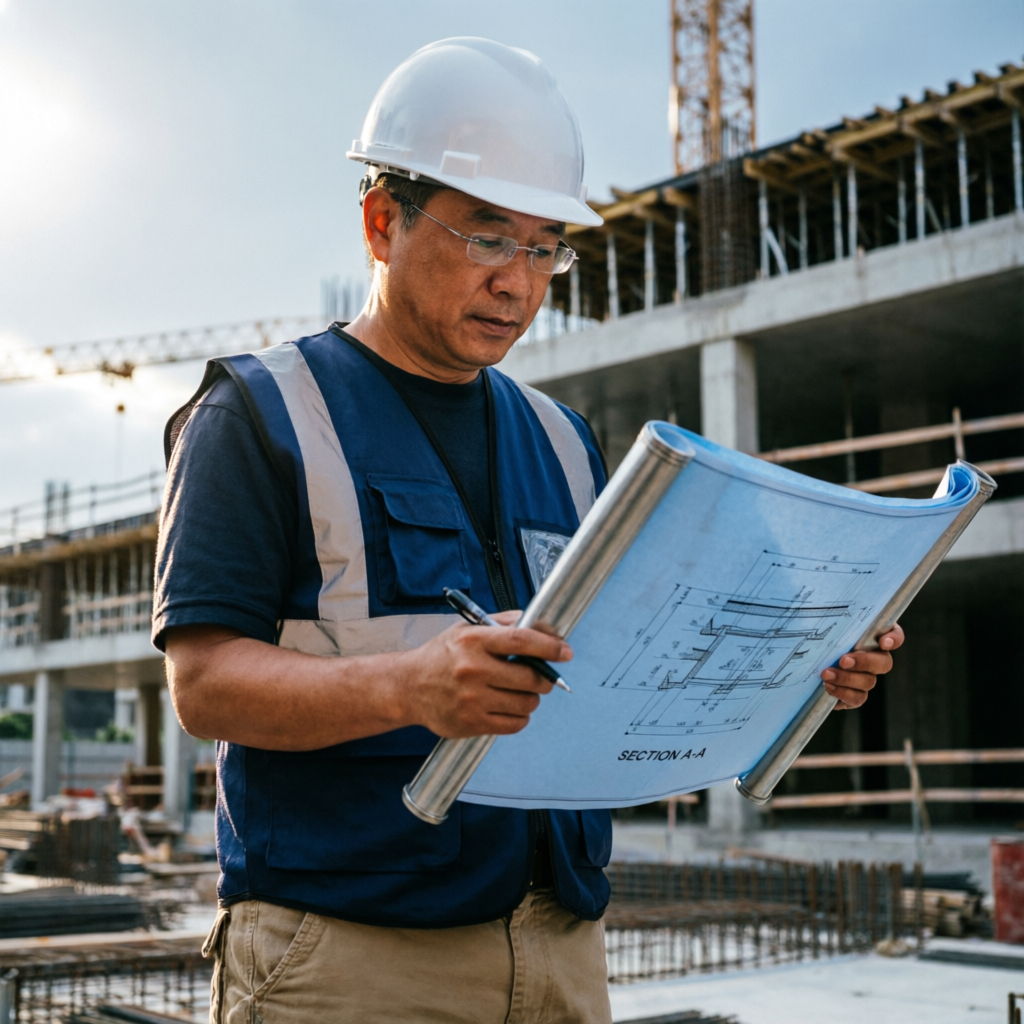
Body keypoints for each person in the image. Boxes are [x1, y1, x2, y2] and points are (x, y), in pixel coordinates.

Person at [154, 37, 904, 1024]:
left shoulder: (563, 441)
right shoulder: (258, 415)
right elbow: (203, 687)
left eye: (545, 244)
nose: (520, 280)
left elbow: (624, 664)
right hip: (347, 955)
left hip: (560, 943)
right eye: (486, 235)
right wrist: (411, 685)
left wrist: (797, 665)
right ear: (382, 222)